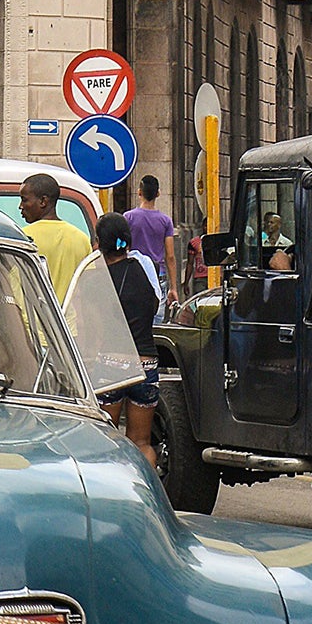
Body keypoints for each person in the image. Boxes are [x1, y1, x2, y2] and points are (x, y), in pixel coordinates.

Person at [94, 213, 161, 466]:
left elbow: (94, 330)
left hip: (112, 365)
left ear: (99, 242)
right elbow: (153, 308)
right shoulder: (144, 274)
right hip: (147, 365)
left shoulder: (96, 278)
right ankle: (147, 498)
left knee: (106, 443)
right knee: (141, 443)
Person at [18, 172, 92, 301]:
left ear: (43, 201)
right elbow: (87, 289)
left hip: (32, 319)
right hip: (68, 321)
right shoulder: (81, 239)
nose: (20, 206)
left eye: (24, 200)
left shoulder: (23, 238)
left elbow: (15, 289)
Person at [124, 175, 178, 307]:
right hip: (158, 275)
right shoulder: (166, 221)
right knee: (156, 322)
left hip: (135, 274)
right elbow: (170, 256)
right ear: (158, 193)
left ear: (139, 192)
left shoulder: (128, 217)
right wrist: (173, 287)